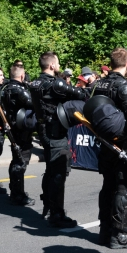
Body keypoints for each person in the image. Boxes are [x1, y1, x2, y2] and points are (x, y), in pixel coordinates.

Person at [92, 48, 127, 249]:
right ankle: (120, 235)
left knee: (108, 187)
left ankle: (105, 231)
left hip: (104, 143)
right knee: (126, 188)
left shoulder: (99, 83)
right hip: (122, 145)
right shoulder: (123, 86)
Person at [30, 51, 88, 227]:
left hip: (42, 129)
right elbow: (80, 95)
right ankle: (57, 214)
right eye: (58, 63)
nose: (59, 66)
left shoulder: (35, 82)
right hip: (55, 131)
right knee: (59, 172)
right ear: (51, 65)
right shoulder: (55, 84)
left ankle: (48, 203)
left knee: (50, 169)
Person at [1, 65, 36, 205]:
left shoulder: (4, 89)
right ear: (22, 76)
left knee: (16, 159)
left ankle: (15, 189)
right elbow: (34, 104)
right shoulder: (19, 90)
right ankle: (18, 194)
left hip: (12, 127)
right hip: (21, 129)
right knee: (21, 161)